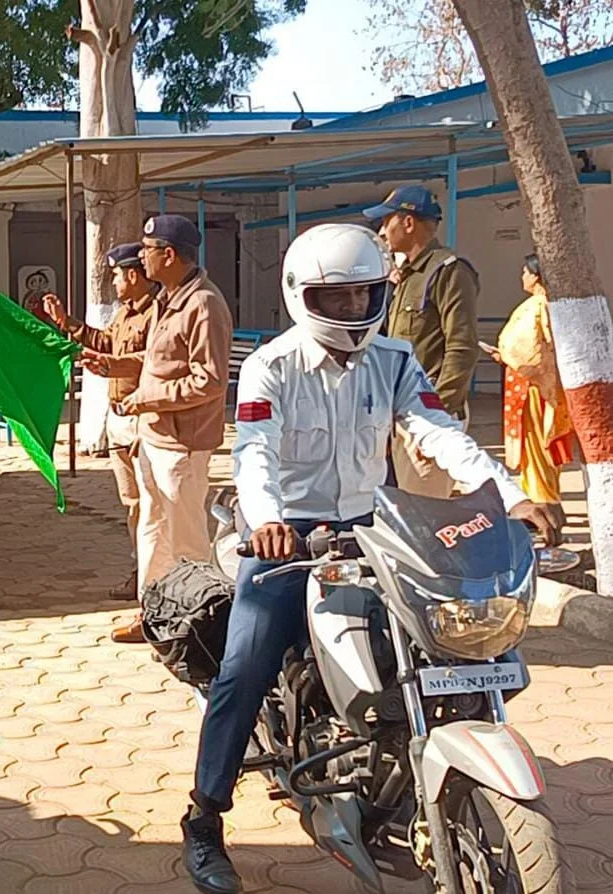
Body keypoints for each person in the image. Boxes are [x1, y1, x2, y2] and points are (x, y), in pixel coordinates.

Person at [182, 223, 560, 894]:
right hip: (287, 536)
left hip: (372, 526)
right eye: (338, 298)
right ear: (302, 296)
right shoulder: (272, 365)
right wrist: (266, 521)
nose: (354, 309)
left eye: (364, 295)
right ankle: (205, 817)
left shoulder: (394, 359)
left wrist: (510, 496)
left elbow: (437, 431)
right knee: (244, 668)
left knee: (432, 647)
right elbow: (255, 450)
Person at [81, 215, 233, 643]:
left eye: (147, 250)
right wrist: (113, 365)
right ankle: (154, 616)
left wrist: (147, 399)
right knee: (153, 531)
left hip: (183, 442)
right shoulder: (169, 299)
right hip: (154, 438)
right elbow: (157, 360)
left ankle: (198, 627)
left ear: (168, 254)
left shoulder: (203, 304)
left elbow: (209, 380)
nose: (141, 257)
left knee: (186, 540)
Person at [42, 243, 160, 600]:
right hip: (119, 419)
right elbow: (105, 342)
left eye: (117, 276)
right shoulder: (125, 313)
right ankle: (139, 572)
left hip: (144, 420)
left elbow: (153, 363)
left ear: (133, 275)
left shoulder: (157, 313)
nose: (115, 283)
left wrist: (110, 365)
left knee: (151, 505)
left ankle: (155, 577)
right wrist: (67, 323)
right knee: (132, 504)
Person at [364, 185, 480, 498]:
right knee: (404, 506)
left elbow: (461, 347)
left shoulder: (448, 271)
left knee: (426, 508)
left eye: (386, 222)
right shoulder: (407, 276)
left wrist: (436, 419)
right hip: (402, 412)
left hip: (429, 414)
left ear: (408, 222)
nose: (381, 232)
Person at [482, 254, 575, 523]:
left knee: (537, 446)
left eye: (525, 272)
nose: (522, 277)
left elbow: (530, 352)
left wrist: (505, 355)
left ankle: (543, 504)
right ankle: (543, 501)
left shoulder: (538, 306)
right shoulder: (543, 305)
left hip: (535, 387)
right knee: (536, 447)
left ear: (535, 276)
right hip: (535, 384)